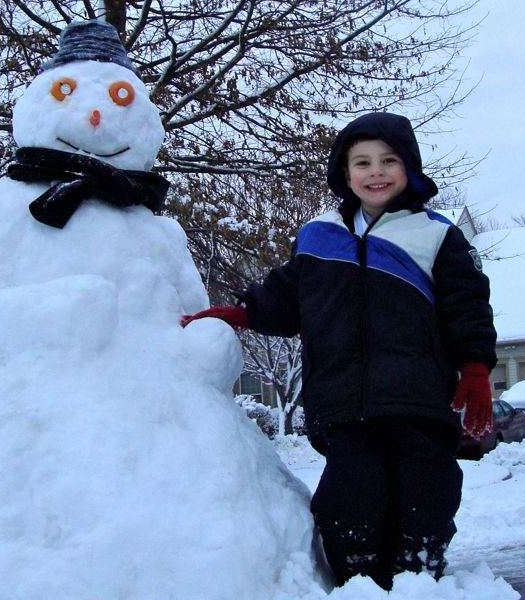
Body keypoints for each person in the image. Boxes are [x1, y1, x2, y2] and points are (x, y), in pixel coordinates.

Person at [182, 112, 497, 590]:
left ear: (409, 167)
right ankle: (358, 577)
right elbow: (287, 297)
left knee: (425, 488)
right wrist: (241, 313)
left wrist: (474, 368)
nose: (376, 172)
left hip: (417, 398)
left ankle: (420, 568)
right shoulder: (319, 236)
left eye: (389, 161)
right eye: (362, 162)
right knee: (350, 499)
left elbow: (467, 306)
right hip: (343, 400)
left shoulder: (436, 235)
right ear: (344, 173)